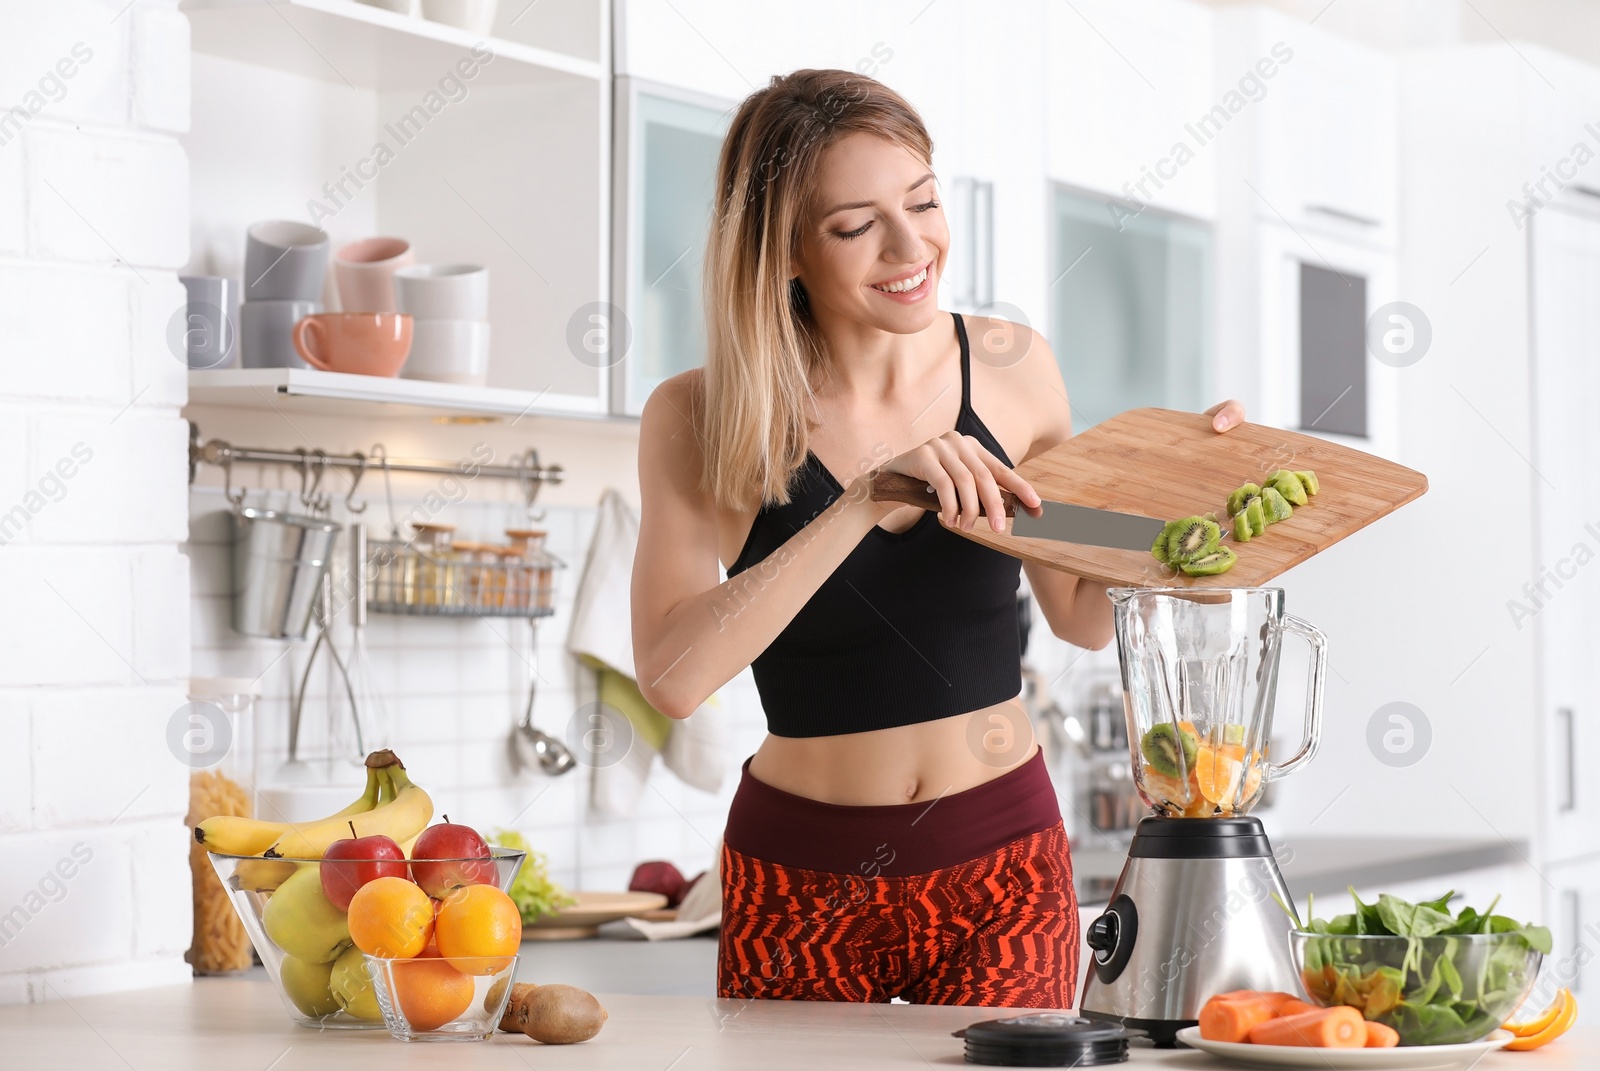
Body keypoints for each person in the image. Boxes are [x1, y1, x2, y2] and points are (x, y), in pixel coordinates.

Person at [631, 68, 1245, 1008]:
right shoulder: (698, 415)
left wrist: (1193, 503)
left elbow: (1081, 609)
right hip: (799, 878)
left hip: (1000, 861)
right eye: (855, 225)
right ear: (784, 250)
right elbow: (673, 676)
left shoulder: (1012, 367)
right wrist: (860, 505)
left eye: (922, 201)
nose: (911, 245)